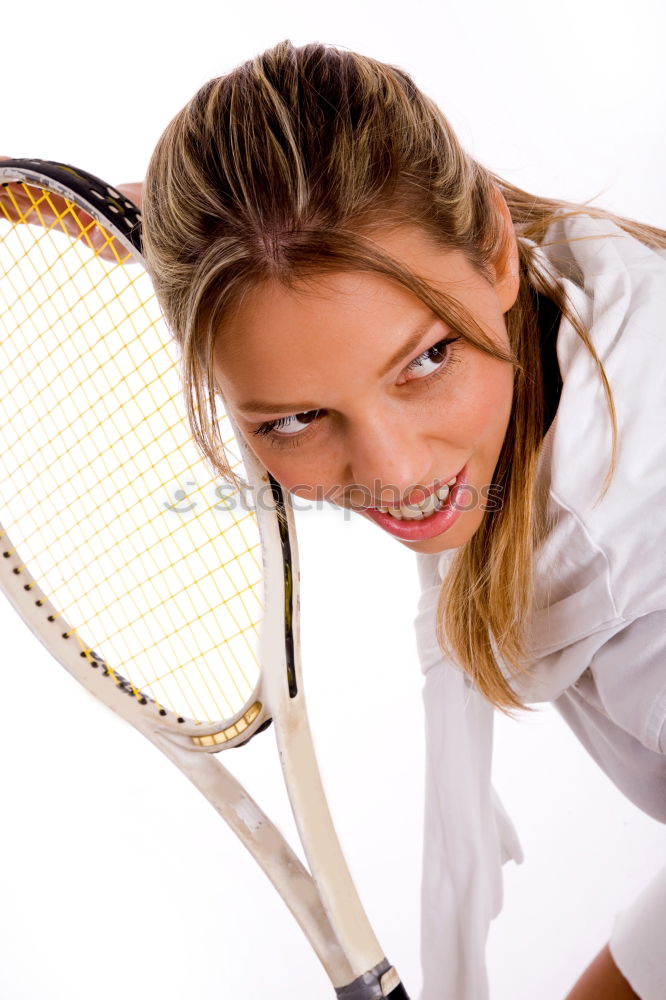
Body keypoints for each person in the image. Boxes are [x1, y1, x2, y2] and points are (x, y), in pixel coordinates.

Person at [136, 40, 665, 999]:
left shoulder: (639, 574)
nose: (398, 476)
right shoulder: (581, 296)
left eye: (424, 360)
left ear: (497, 251)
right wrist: (209, 225)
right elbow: (302, 256)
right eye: (294, 418)